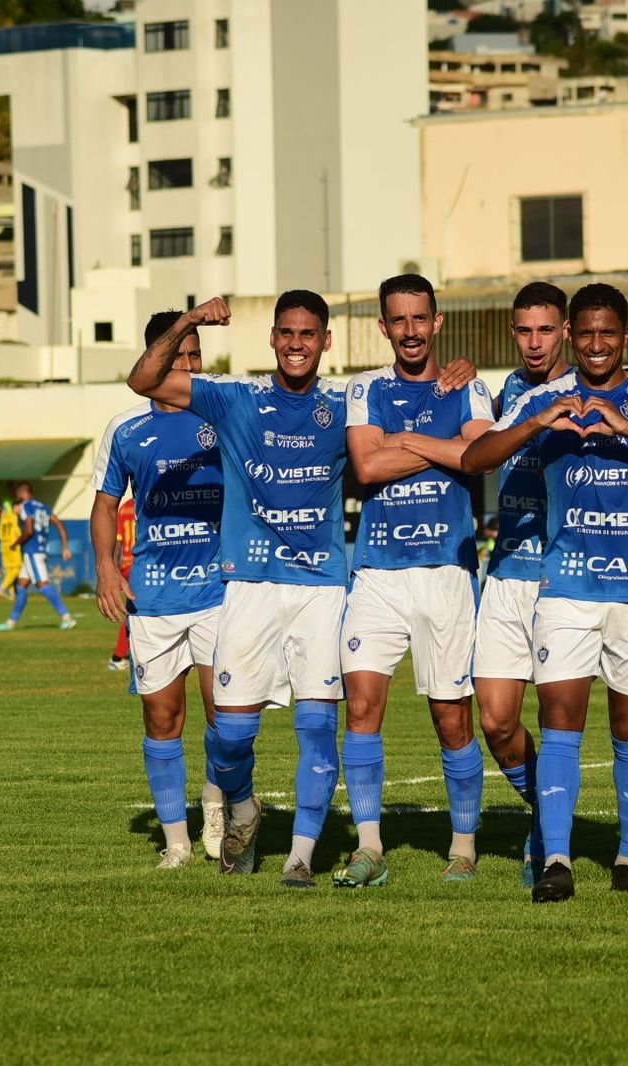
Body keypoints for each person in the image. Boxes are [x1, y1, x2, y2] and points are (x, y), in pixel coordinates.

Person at [463, 282, 628, 902]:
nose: (597, 344)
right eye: (587, 333)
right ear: (572, 337)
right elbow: (476, 459)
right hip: (567, 591)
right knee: (560, 725)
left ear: (625, 336)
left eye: (609, 333)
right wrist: (537, 422)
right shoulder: (546, 396)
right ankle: (557, 860)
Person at [131, 292, 394, 887]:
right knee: (228, 738)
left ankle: (300, 856)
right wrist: (191, 320)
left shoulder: (345, 405)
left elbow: (420, 398)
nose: (297, 343)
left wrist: (454, 373)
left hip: (320, 591)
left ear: (326, 341)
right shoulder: (235, 399)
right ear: (272, 339)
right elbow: (143, 378)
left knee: (316, 727)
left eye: (308, 334)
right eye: (286, 333)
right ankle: (244, 806)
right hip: (248, 588)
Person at [337, 273, 494, 888]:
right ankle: (369, 846)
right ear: (384, 327)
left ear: (438, 322)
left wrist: (404, 438)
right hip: (376, 573)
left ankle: (463, 845)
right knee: (362, 708)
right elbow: (368, 466)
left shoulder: (471, 387)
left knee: (450, 716)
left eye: (419, 319)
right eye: (397, 320)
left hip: (447, 573)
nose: (409, 331)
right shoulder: (363, 389)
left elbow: (479, 455)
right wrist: (441, 444)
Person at [96, 309, 228, 870]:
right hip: (154, 599)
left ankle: (219, 812)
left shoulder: (225, 412)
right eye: (180, 357)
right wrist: (106, 568)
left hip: (221, 593)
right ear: (157, 359)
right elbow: (104, 505)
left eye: (197, 356)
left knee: (227, 718)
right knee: (161, 719)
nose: (191, 366)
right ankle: (176, 842)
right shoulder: (125, 429)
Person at [0, 481, 76, 631]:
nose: (17, 498)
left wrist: (15, 543)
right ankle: (11, 623)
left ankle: (67, 617)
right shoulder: (43, 507)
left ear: (23, 493)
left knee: (42, 584)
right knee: (22, 584)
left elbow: (29, 530)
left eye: (18, 495)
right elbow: (60, 525)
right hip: (40, 550)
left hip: (32, 552)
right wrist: (65, 547)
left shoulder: (27, 506)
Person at [107, 496, 137, 671]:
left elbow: (118, 542)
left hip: (127, 565)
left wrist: (115, 568)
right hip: (141, 565)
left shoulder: (124, 507)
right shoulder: (150, 501)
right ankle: (118, 657)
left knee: (137, 612)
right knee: (134, 614)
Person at [0, 499, 22, 598]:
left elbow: (0, 533)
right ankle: (1, 588)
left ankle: (12, 594)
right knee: (17, 569)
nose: (20, 509)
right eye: (18, 507)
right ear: (14, 507)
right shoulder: (15, 518)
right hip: (13, 546)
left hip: (4, 546)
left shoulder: (4, 517)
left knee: (10, 570)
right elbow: (18, 532)